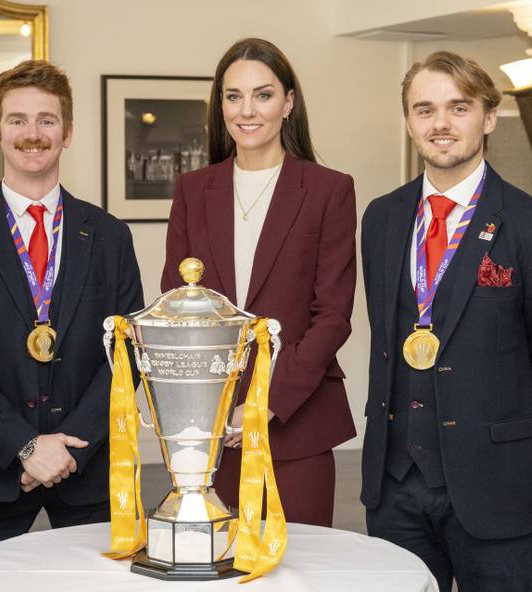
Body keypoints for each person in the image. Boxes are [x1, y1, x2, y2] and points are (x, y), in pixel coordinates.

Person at [360, 51, 532, 591]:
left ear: (488, 117)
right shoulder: (381, 218)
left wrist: (511, 447)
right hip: (394, 486)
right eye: (424, 109)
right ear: (409, 121)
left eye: (458, 107)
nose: (440, 123)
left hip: (495, 486)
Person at [0, 60, 144, 558]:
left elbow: (128, 353)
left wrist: (71, 443)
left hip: (87, 465)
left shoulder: (110, 236)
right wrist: (25, 445)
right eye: (17, 120)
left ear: (67, 132)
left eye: (47, 120)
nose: (32, 133)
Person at [160, 38, 357, 526]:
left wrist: (264, 402)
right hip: (210, 429)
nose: (247, 110)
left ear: (288, 103)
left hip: (296, 420)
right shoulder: (192, 190)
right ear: (220, 106)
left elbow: (333, 317)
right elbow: (175, 308)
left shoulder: (329, 189)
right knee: (217, 558)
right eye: (234, 96)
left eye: (263, 95)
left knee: (301, 561)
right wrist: (212, 407)